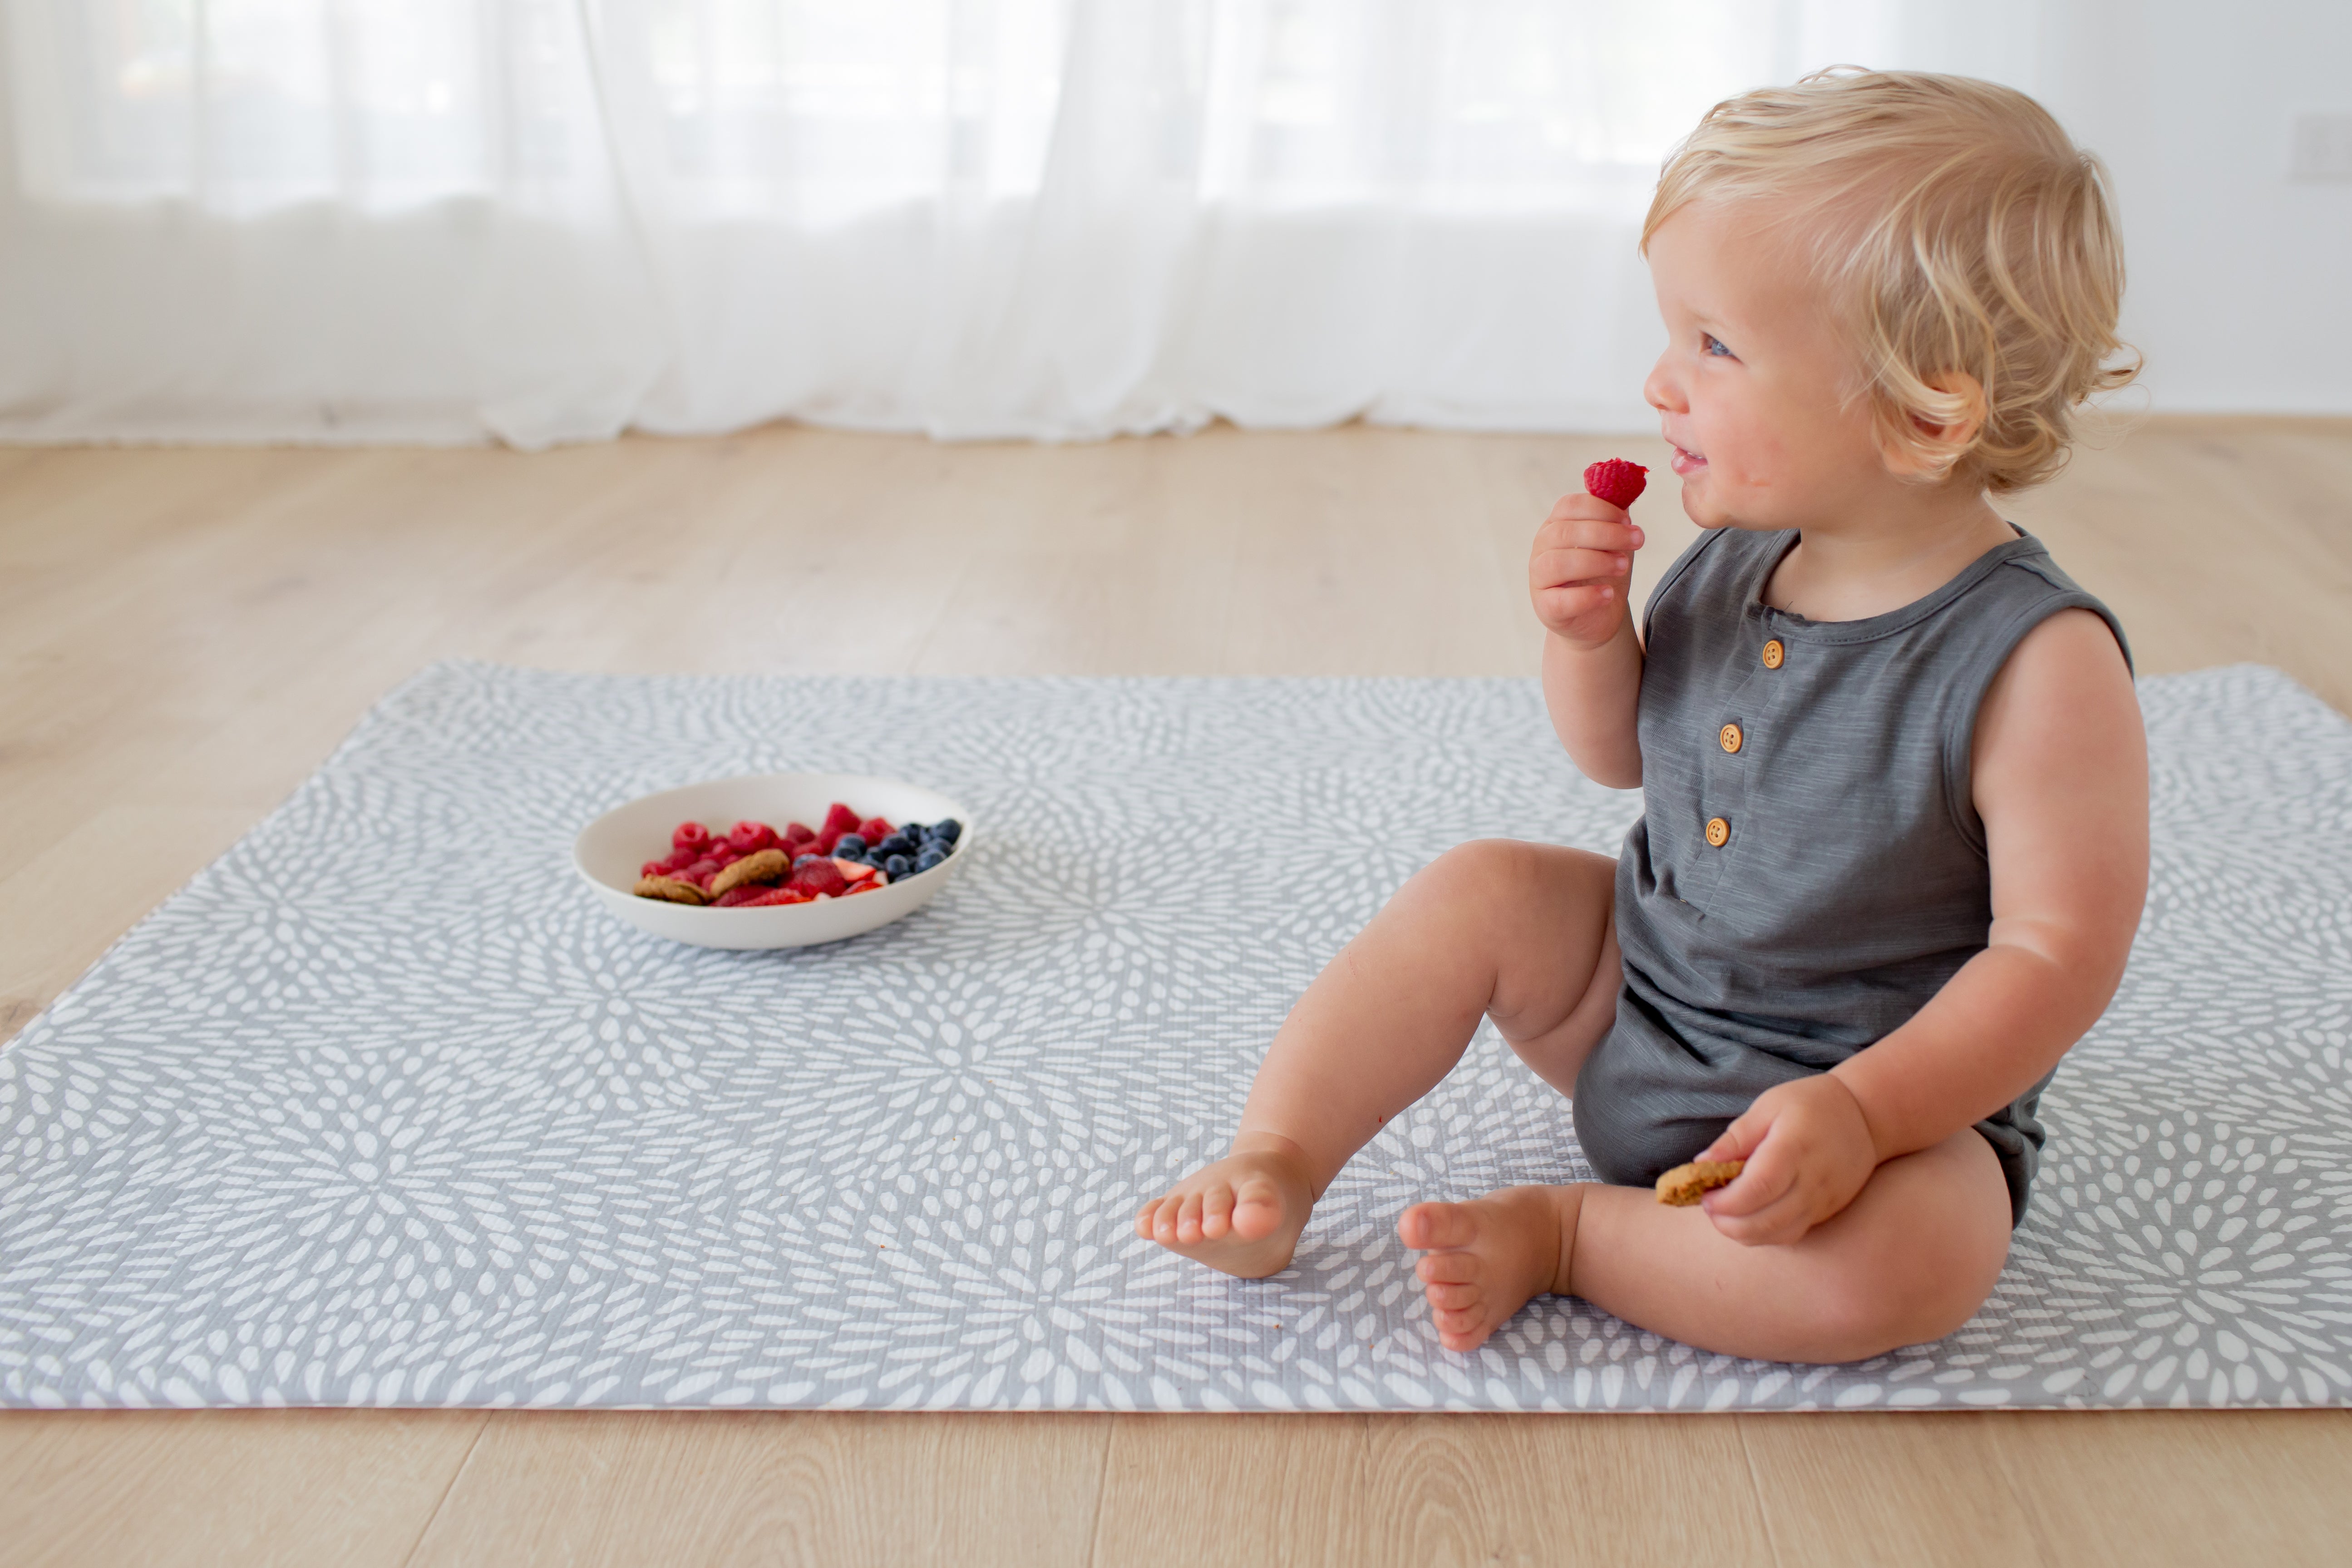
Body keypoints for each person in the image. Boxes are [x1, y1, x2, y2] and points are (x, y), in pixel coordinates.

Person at [1134, 69, 2150, 1364]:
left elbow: (2058, 960)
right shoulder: (1736, 559)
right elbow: (1619, 757)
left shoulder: (2035, 661)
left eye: (1715, 346)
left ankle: (1574, 1236)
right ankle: (1277, 1160)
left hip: (1869, 1120)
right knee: (1479, 889)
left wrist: (1861, 1110)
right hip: (1644, 1012)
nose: (1664, 385)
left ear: (1922, 412)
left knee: (1914, 1266)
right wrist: (1589, 639)